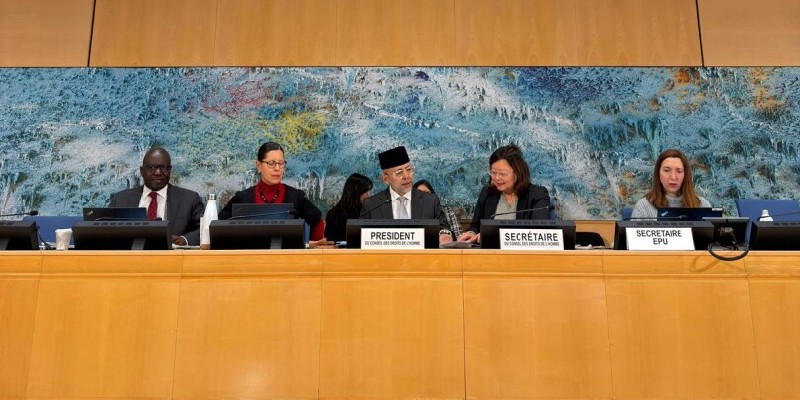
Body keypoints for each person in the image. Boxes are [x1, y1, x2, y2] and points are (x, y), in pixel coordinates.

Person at [218, 141, 324, 241]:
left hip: (286, 254)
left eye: (281, 163)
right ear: (259, 166)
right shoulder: (243, 198)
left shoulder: (295, 196)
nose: (277, 168)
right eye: (271, 163)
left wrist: (307, 245)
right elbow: (219, 227)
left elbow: (317, 222)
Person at [109, 147, 204, 246]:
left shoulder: (189, 199)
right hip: (131, 254)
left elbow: (203, 230)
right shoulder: (120, 200)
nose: (158, 172)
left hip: (171, 254)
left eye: (163, 167)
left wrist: (184, 240)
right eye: (151, 167)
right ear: (142, 171)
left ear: (170, 170)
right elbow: (107, 230)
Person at [457, 144, 551, 243]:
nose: (497, 178)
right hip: (490, 251)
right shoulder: (487, 193)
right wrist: (471, 233)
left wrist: (494, 235)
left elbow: (539, 232)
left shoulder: (537, 195)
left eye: (502, 174)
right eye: (493, 172)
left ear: (517, 173)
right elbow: (475, 226)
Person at [360, 146, 452, 243]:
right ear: (386, 179)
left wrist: (443, 234)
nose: (407, 176)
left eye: (409, 169)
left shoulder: (430, 201)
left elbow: (443, 228)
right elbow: (360, 236)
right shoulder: (371, 205)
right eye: (399, 173)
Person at [631, 148, 711, 219]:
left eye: (679, 171)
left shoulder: (703, 206)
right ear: (658, 174)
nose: (673, 177)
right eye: (667, 170)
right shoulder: (643, 208)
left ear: (685, 175)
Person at [325, 173, 373, 242]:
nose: (369, 195)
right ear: (356, 193)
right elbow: (330, 242)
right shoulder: (333, 215)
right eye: (366, 192)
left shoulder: (370, 212)